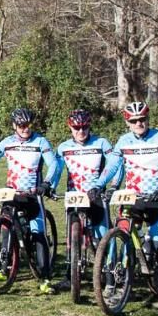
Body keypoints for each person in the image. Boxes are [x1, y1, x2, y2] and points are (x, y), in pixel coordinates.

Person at [94, 101, 158, 314]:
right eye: (134, 121)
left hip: (155, 197)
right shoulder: (123, 141)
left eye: (142, 119)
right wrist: (97, 185)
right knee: (119, 233)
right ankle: (113, 281)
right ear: (127, 122)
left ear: (148, 118)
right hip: (131, 197)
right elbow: (112, 166)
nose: (139, 123)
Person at [0, 108, 58, 293]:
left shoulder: (40, 141)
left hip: (32, 195)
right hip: (11, 194)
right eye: (21, 125)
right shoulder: (7, 142)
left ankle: (45, 278)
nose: (25, 128)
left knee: (39, 234)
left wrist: (45, 184)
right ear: (14, 126)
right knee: (5, 227)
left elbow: (53, 164)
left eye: (28, 125)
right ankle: (4, 269)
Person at [50, 109, 115, 291]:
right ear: (70, 127)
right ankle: (70, 277)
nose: (81, 131)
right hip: (74, 196)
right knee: (72, 238)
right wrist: (51, 186)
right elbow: (57, 170)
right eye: (76, 127)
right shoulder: (63, 147)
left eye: (85, 127)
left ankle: (110, 278)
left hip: (96, 196)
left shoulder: (101, 143)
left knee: (103, 236)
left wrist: (109, 186)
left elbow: (114, 165)